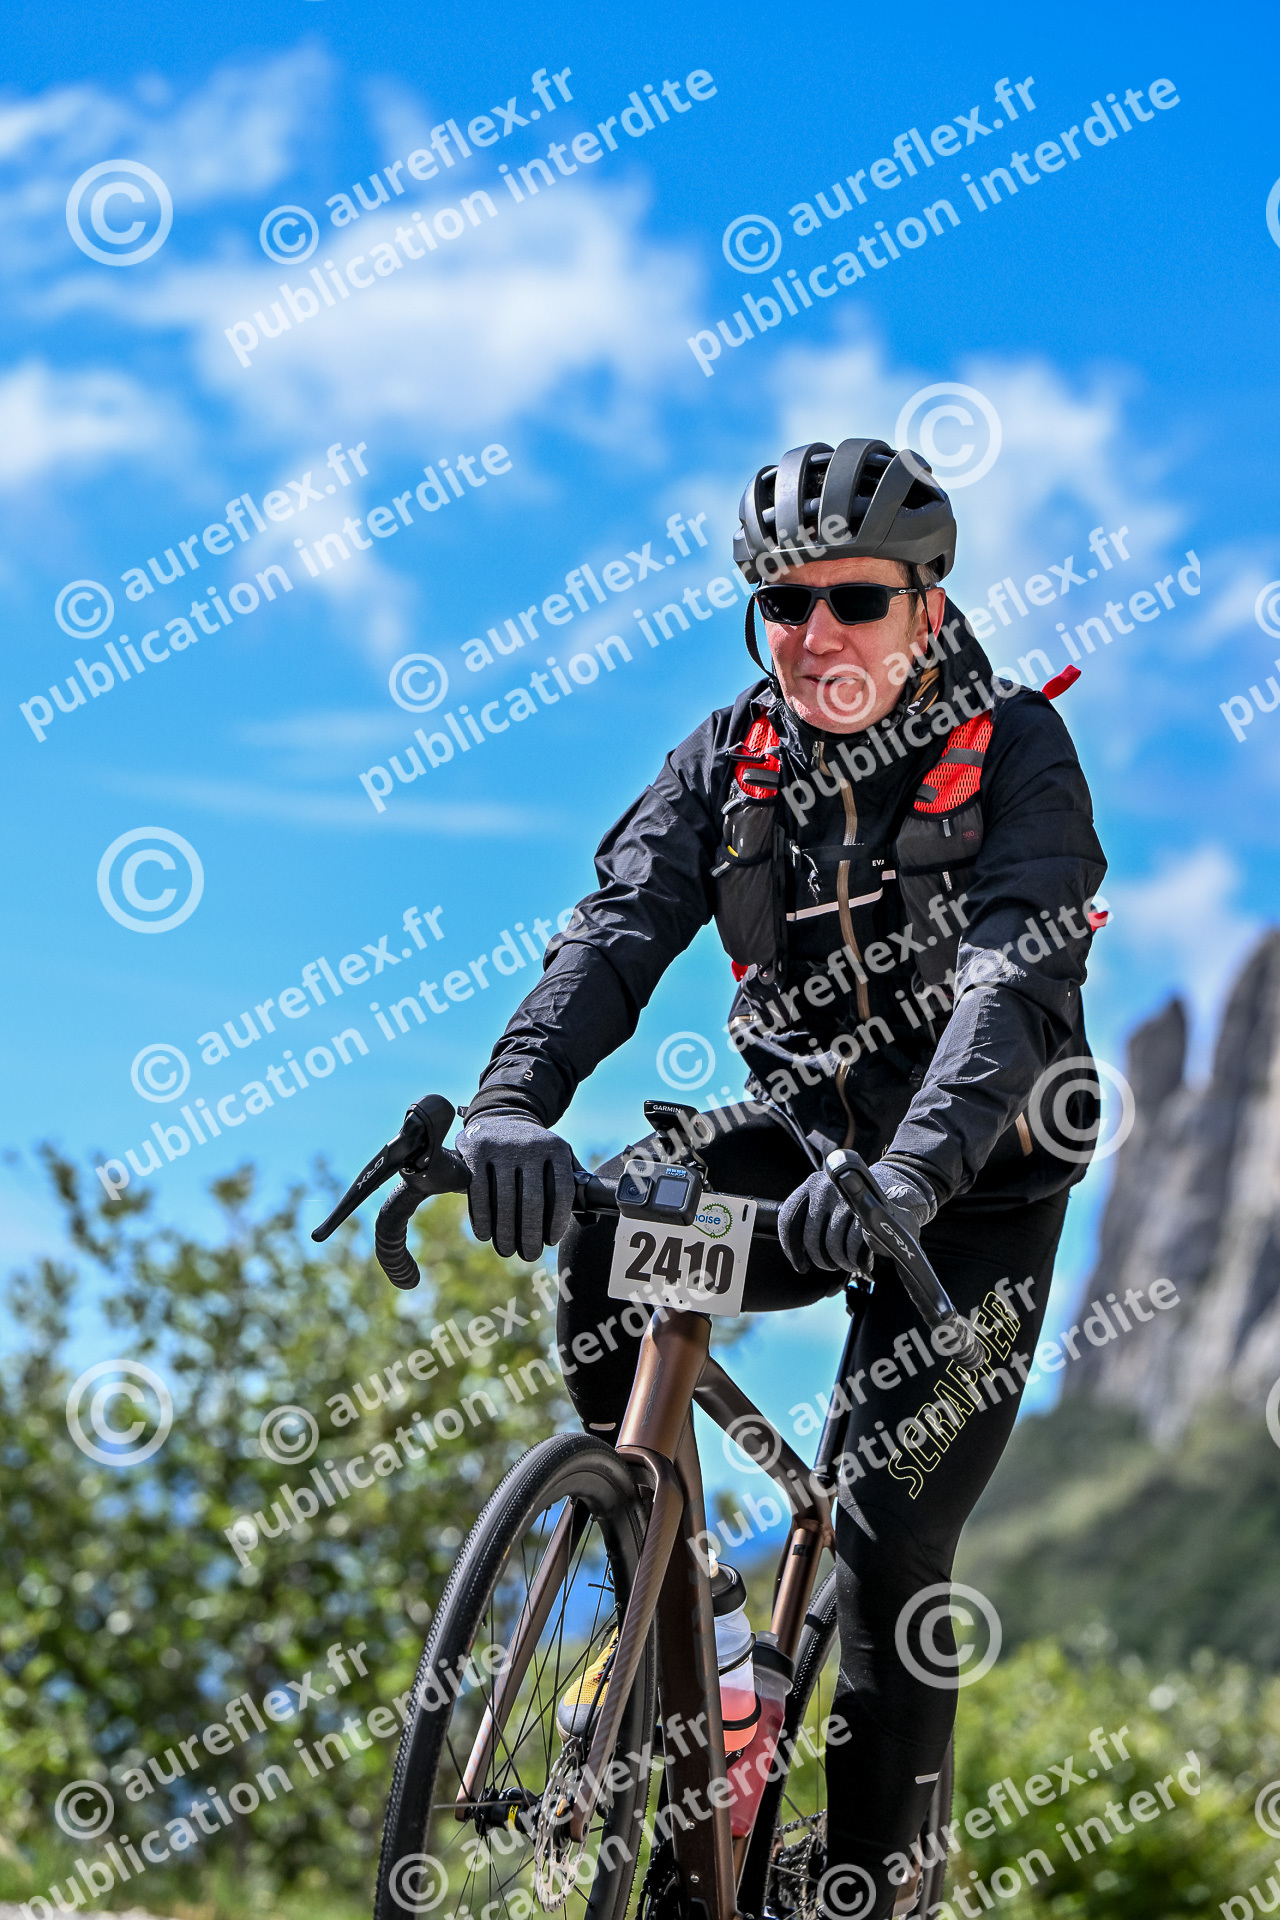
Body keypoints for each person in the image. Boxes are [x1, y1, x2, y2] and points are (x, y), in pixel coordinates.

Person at [455, 437, 1107, 1919]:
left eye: (854, 601)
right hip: (805, 1144)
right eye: (785, 603)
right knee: (614, 1227)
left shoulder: (1019, 753)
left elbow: (1011, 991)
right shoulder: (728, 757)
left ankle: (875, 1890)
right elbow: (617, 931)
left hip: (975, 1197)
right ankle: (690, 1628)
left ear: (925, 605)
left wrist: (916, 1174)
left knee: (889, 1539)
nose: (817, 634)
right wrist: (508, 1105)